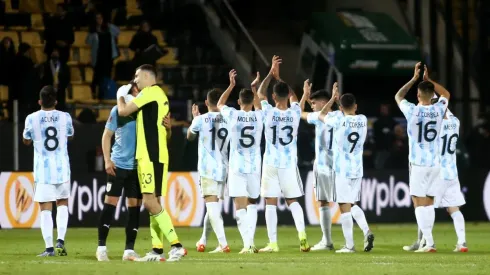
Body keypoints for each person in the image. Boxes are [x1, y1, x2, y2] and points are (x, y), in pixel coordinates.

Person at [116, 64, 186, 262]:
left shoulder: (149, 93)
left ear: (147, 76)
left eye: (137, 76)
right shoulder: (161, 97)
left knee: (148, 202)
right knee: (154, 202)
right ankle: (157, 248)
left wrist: (120, 95)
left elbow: (122, 111)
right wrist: (170, 129)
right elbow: (165, 132)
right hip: (158, 155)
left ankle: (176, 245)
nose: (135, 80)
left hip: (150, 155)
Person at [256, 55, 310, 253]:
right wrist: (281, 80)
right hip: (289, 163)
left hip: (270, 162)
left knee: (270, 202)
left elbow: (260, 93)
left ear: (273, 97)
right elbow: (296, 98)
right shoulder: (295, 113)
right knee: (293, 201)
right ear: (287, 96)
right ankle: (302, 236)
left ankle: (273, 243)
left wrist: (271, 73)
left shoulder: (268, 112)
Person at [394, 63, 450, 252]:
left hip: (418, 163)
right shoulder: (439, 109)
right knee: (429, 203)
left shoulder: (412, 110)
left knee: (418, 203)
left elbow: (398, 96)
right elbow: (447, 95)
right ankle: (427, 242)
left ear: (418, 95)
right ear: (432, 94)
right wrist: (429, 81)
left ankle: (429, 242)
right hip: (435, 163)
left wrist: (414, 78)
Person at [214, 70, 263, 254]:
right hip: (254, 166)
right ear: (251, 101)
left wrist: (231, 85)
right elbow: (258, 106)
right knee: (251, 203)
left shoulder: (233, 115)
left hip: (237, 166)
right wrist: (254, 88)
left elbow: (219, 104)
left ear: (239, 102)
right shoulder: (259, 116)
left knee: (239, 206)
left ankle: (248, 244)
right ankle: (250, 243)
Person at [318, 84, 370, 253]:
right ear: (355, 106)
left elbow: (321, 115)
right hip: (357, 169)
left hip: (342, 170)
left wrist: (332, 99)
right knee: (353, 203)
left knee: (344, 207)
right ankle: (366, 230)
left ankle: (349, 245)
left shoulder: (338, 120)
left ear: (340, 108)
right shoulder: (363, 119)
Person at [22, 85, 73, 257]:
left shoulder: (31, 118)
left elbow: (26, 141)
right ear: (56, 101)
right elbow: (70, 135)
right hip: (62, 169)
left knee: (45, 207)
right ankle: (61, 240)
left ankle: (49, 248)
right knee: (62, 202)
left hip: (43, 171)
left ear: (39, 101)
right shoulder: (65, 117)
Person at [96, 82, 142, 261]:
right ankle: (101, 248)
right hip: (118, 165)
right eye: (136, 89)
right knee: (110, 206)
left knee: (134, 208)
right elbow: (106, 135)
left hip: (137, 167)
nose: (139, 91)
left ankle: (129, 250)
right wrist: (107, 160)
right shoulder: (117, 111)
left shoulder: (143, 110)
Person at [187, 89, 231, 254]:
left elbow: (190, 137)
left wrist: (194, 121)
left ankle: (223, 243)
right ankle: (203, 239)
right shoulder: (229, 118)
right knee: (212, 206)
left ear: (206, 102)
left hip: (207, 169)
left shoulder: (200, 119)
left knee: (212, 206)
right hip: (223, 168)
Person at [86, 12, 120, 99]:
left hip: (108, 58)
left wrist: (108, 24)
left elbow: (118, 31)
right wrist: (92, 31)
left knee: (107, 78)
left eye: (100, 18)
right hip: (98, 58)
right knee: (97, 78)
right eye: (97, 18)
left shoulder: (109, 29)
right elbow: (88, 42)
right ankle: (95, 95)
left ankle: (106, 95)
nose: (99, 20)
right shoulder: (93, 31)